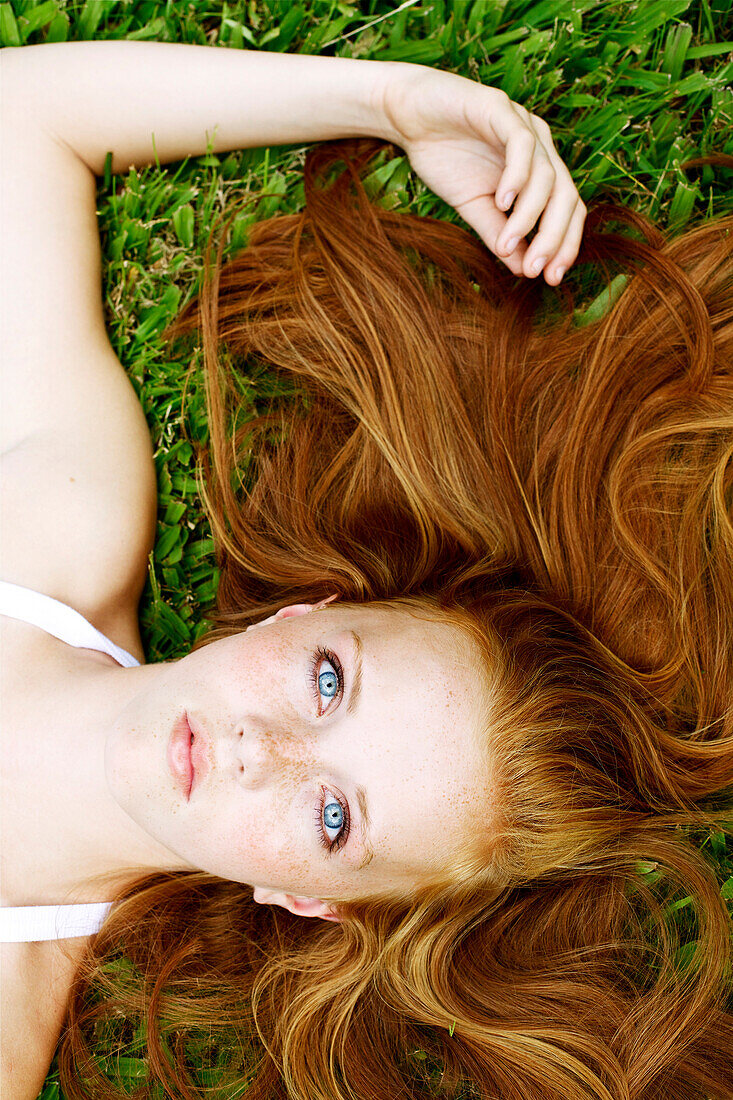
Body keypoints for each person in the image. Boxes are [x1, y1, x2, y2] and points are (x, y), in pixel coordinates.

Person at [1, 40, 730, 1100]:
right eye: (329, 679)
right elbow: (26, 119)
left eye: (333, 816)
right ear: (305, 611)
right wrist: (391, 99)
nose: (262, 749)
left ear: (306, 899)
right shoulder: (65, 521)